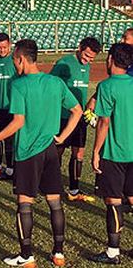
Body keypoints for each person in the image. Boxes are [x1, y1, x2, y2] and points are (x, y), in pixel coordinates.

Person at [0, 39, 82, 268]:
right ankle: (59, 253)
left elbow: (18, 122)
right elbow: (77, 110)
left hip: (27, 153)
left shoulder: (20, 85)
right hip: (50, 151)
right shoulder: (55, 83)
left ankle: (26, 255)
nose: (14, 64)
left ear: (22, 59)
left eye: (15, 59)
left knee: (25, 203)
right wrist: (62, 137)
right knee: (55, 202)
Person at [89, 43, 133, 264]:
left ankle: (113, 252)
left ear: (111, 59)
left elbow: (104, 122)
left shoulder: (106, 86)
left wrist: (96, 151)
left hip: (115, 153)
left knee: (113, 200)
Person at [50, 37, 101, 202]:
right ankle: (53, 186)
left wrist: (89, 110)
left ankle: (74, 190)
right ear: (80, 48)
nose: (88, 60)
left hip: (80, 118)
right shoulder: (63, 63)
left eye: (91, 58)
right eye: (86, 55)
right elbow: (51, 85)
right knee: (58, 149)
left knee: (79, 152)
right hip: (63, 116)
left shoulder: (87, 66)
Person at [0, 32, 17, 180]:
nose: (2, 50)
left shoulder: (14, 60)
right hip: (0, 106)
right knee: (4, 137)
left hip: (13, 106)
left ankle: (12, 169)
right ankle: (7, 167)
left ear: (10, 45)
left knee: (12, 139)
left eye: (5, 47)